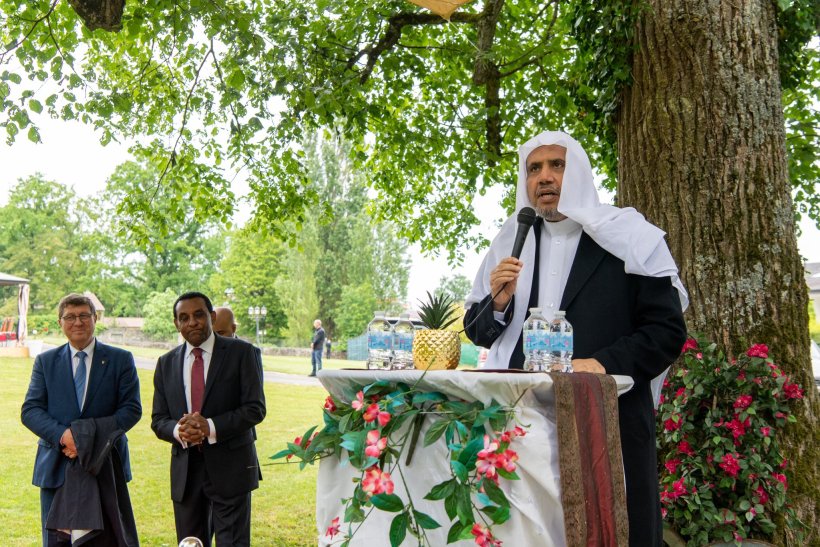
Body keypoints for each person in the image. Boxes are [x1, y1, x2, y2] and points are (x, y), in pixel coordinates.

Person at [464, 131, 687, 547]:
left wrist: (601, 364)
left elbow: (666, 332)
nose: (544, 178)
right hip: (520, 424)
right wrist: (497, 303)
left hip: (607, 419)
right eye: (534, 168)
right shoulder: (512, 238)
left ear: (579, 174)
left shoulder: (628, 236)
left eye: (556, 166)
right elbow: (479, 331)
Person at [21, 293, 142, 546]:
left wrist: (87, 440)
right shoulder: (45, 362)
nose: (78, 322)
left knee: (108, 539)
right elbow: (31, 410)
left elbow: (131, 409)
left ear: (95, 318)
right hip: (57, 464)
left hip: (105, 463)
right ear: (60, 322)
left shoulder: (121, 359)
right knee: (58, 540)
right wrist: (63, 437)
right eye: (70, 317)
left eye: (84, 315)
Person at [151, 292, 266, 547]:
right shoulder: (165, 363)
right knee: (190, 543)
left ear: (212, 317)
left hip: (231, 467)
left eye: (198, 315)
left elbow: (255, 408)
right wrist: (179, 430)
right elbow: (158, 420)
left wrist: (209, 427)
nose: (192, 322)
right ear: (176, 324)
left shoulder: (243, 353)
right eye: (184, 318)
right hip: (186, 472)